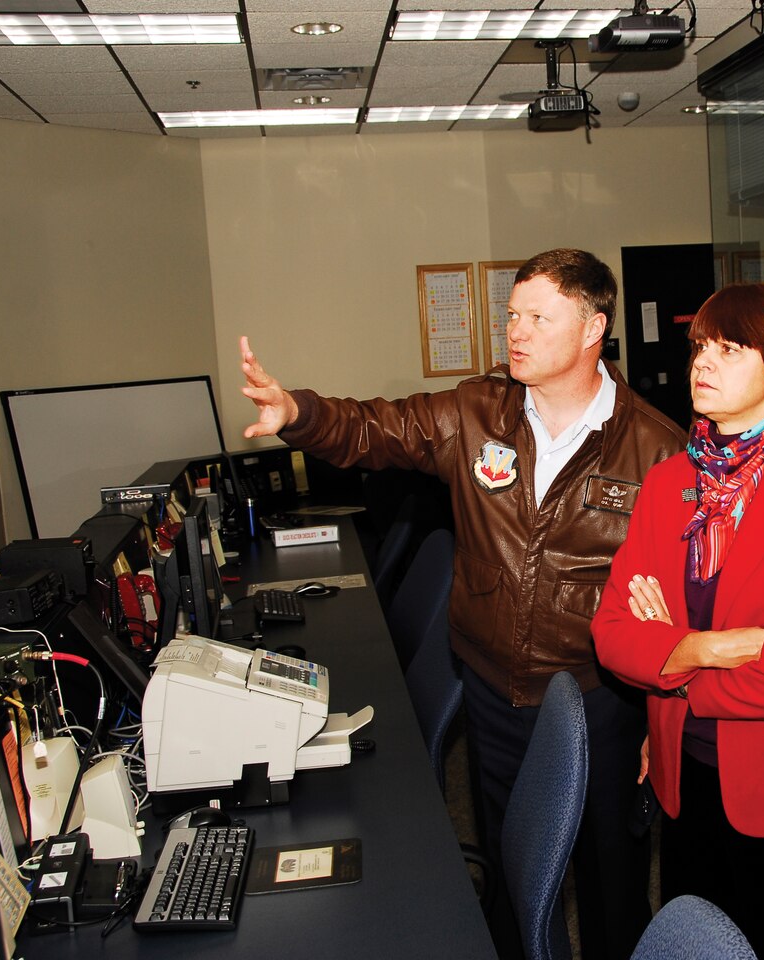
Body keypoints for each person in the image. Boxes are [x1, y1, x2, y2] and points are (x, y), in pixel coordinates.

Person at [240, 248, 686, 960]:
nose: (517, 330)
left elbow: (677, 607)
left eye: (540, 317)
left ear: (594, 327)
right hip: (493, 690)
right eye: (513, 314)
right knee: (513, 872)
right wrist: (298, 411)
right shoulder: (475, 412)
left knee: (612, 882)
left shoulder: (659, 449)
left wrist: (660, 720)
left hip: (603, 696)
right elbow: (372, 430)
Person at [591, 282, 764, 960]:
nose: (702, 364)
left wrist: (673, 663)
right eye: (699, 347)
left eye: (729, 349)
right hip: (686, 778)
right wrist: (712, 649)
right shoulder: (667, 486)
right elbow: (609, 634)